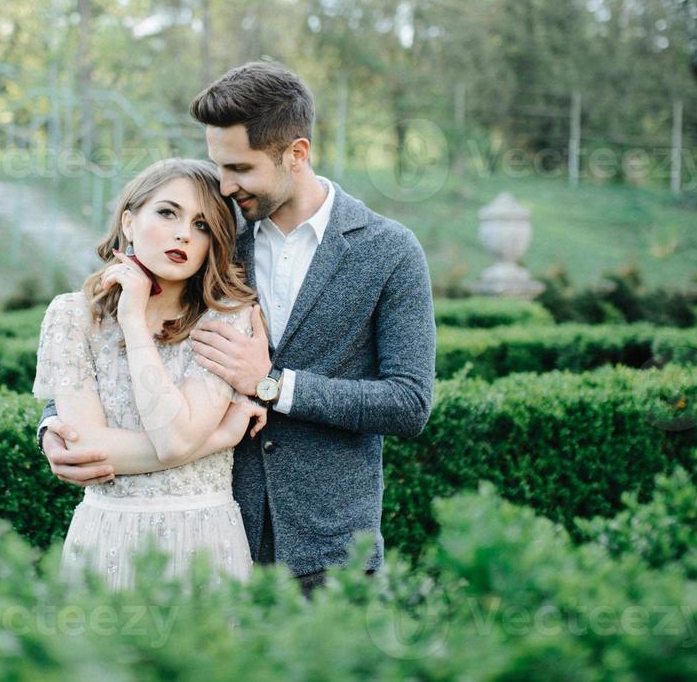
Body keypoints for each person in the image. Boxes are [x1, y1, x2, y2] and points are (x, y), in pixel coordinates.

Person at [38, 60, 438, 597]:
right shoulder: (216, 245)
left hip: (331, 547)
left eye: (240, 169)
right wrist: (52, 424)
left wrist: (274, 385)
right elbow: (118, 341)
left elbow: (408, 404)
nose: (224, 186)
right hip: (219, 539)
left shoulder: (388, 251)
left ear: (296, 154)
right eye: (218, 166)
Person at [32, 157, 270, 591]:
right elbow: (86, 447)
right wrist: (216, 438)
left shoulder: (226, 322)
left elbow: (174, 437)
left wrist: (135, 325)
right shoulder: (71, 316)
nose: (183, 233)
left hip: (206, 542)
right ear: (128, 221)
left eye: (202, 226)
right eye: (167, 212)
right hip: (105, 538)